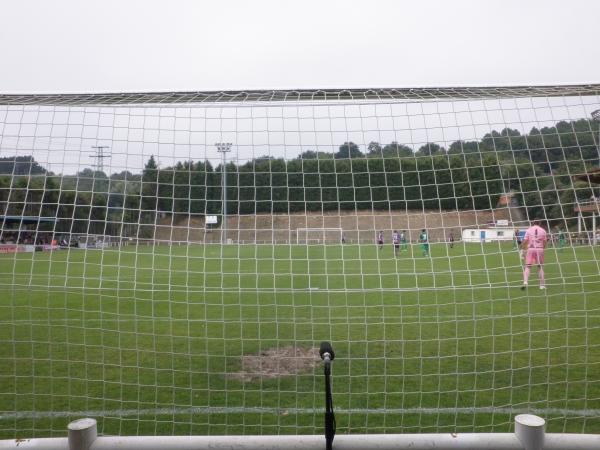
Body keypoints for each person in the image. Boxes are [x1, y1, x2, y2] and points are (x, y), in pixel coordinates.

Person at [521, 219, 547, 290]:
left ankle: (525, 281)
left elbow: (525, 240)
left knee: (528, 266)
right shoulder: (543, 230)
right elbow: (545, 242)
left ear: (533, 223)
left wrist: (523, 249)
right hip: (539, 249)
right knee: (540, 267)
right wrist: (543, 248)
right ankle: (541, 285)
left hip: (531, 249)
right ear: (540, 223)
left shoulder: (529, 230)